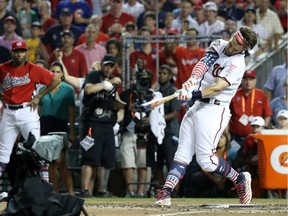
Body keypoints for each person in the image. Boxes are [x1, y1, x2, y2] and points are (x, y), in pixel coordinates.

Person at [155, 26, 258, 206]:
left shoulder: (238, 64)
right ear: (234, 35)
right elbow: (203, 64)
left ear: (244, 49)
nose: (234, 45)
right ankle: (166, 192)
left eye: (240, 45)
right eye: (235, 39)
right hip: (197, 106)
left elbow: (217, 87)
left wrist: (192, 94)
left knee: (206, 161)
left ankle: (239, 179)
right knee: (182, 154)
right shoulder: (219, 43)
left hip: (214, 110)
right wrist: (191, 82)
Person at [0, 40, 60, 182]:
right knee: (3, 153)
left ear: (26, 53)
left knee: (38, 148)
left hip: (27, 111)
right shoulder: (2, 68)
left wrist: (39, 96)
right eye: (16, 51)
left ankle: (45, 185)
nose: (19, 54)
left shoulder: (33, 69)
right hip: (8, 113)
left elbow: (56, 80)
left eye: (22, 51)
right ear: (12, 53)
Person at [80, 54, 122, 197]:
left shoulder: (114, 83)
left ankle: (102, 191)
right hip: (92, 124)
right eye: (106, 65)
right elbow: (88, 89)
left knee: (106, 161)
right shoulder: (94, 75)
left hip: (107, 126)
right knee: (90, 159)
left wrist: (128, 106)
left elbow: (118, 102)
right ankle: (85, 190)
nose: (108, 68)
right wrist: (105, 83)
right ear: (102, 64)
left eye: (111, 66)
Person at [38, 61, 76, 195]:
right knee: (50, 162)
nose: (54, 73)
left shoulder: (68, 90)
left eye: (58, 71)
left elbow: (71, 112)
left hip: (60, 125)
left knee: (61, 161)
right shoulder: (42, 89)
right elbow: (38, 111)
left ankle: (71, 193)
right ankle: (55, 192)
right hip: (45, 125)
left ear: (62, 74)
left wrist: (72, 131)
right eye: (52, 71)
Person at [229, 69, 273, 146]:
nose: (248, 82)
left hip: (255, 138)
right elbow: (227, 115)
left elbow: (267, 114)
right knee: (233, 156)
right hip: (236, 138)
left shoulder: (261, 94)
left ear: (255, 80)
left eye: (251, 79)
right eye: (246, 79)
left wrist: (263, 128)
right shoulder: (234, 95)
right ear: (241, 80)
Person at [155, 65, 182, 185]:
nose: (161, 75)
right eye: (160, 73)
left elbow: (175, 113)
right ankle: (159, 188)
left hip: (169, 132)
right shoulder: (156, 92)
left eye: (164, 73)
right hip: (157, 132)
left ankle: (175, 190)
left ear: (170, 76)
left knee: (172, 162)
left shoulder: (174, 92)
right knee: (157, 162)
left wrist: (157, 119)